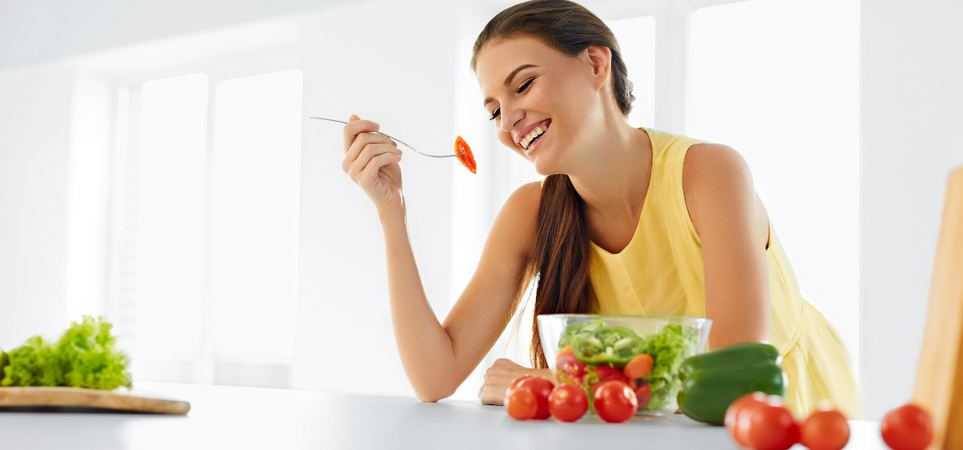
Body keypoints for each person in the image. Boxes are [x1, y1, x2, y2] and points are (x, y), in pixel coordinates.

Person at [338, 0, 860, 418]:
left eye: (523, 85)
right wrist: (391, 212)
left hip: (786, 423)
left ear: (595, 64)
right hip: (654, 441)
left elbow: (729, 382)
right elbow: (434, 376)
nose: (508, 120)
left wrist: (563, 384)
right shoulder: (531, 213)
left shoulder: (709, 173)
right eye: (494, 109)